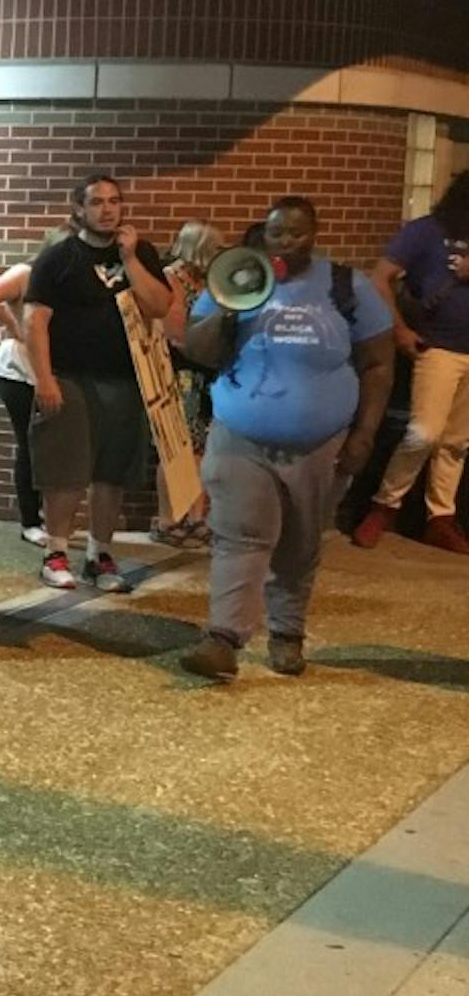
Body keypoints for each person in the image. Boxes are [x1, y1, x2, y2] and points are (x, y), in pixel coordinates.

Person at [178, 197, 393, 680]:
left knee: (299, 543)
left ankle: (287, 632)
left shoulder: (345, 285)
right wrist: (232, 309)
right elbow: (198, 350)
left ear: (314, 235)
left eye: (297, 234)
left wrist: (365, 434)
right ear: (265, 233)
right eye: (278, 233)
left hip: (321, 444)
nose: (286, 243)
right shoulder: (235, 275)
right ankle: (223, 639)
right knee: (241, 538)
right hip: (241, 437)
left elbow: (379, 365)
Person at [23, 174, 173, 592]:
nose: (107, 209)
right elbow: (35, 320)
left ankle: (99, 556)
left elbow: (159, 305)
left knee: (112, 473)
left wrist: (131, 260)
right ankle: (55, 553)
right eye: (96, 203)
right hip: (71, 378)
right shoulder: (59, 258)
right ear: (79, 210)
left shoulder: (140, 252)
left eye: (114, 201)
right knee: (67, 471)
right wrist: (45, 378)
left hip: (125, 379)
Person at [352, 170, 469, 554]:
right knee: (424, 433)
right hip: (439, 347)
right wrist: (399, 329)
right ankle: (385, 505)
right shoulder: (427, 231)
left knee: (457, 441)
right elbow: (381, 277)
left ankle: (441, 516)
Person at [0, 226, 74, 550]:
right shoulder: (27, 273)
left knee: (52, 446)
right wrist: (12, 323)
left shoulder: (71, 281)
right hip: (18, 370)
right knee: (30, 443)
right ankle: (30, 521)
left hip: (52, 369)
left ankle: (49, 517)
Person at [152, 219, 226, 547]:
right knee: (175, 450)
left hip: (203, 373)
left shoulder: (210, 280)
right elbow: (175, 333)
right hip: (180, 373)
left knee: (198, 449)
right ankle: (170, 518)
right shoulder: (172, 278)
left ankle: (197, 517)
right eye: (215, 248)